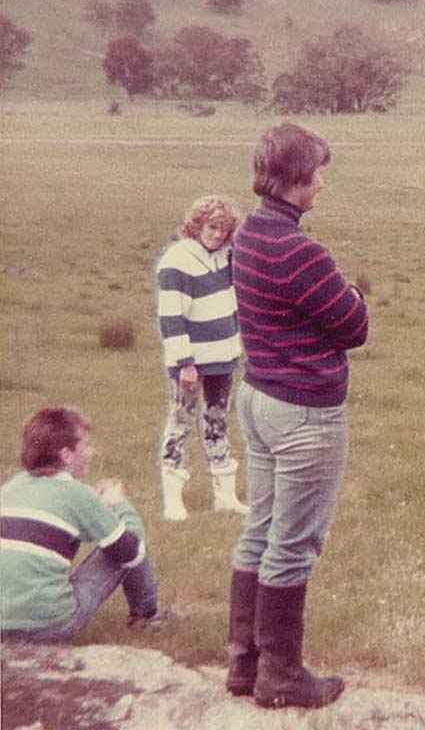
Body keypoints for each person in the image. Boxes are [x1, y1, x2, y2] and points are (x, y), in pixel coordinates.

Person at [226, 122, 369, 710]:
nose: (322, 184)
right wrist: (357, 296)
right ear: (294, 178)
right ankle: (281, 678)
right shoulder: (300, 250)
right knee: (293, 541)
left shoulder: (249, 233)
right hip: (303, 412)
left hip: (257, 397)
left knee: (260, 528)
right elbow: (354, 327)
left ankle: (245, 663)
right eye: (318, 174)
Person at [1, 407, 167, 642]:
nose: (91, 452)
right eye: (86, 446)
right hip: (49, 626)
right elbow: (131, 553)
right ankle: (147, 614)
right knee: (127, 541)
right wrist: (119, 504)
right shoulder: (76, 493)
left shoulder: (9, 489)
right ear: (67, 455)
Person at [156, 195, 247, 521]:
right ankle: (173, 499)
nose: (217, 234)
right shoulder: (176, 260)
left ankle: (225, 496)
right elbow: (171, 317)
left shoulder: (229, 257)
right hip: (191, 362)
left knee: (218, 421)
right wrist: (185, 364)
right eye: (212, 226)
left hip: (224, 355)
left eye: (223, 229)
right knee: (181, 422)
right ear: (197, 225)